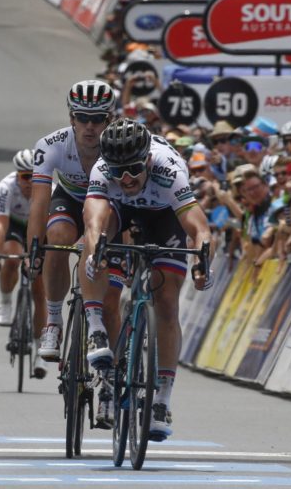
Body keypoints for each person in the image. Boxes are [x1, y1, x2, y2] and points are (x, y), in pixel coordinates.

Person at [80, 118, 213, 438]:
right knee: (95, 244)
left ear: (148, 161)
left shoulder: (170, 169)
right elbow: (94, 218)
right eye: (118, 171)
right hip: (120, 213)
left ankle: (161, 400)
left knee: (166, 301)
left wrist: (203, 263)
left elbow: (199, 229)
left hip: (163, 216)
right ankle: (97, 326)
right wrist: (95, 249)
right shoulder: (102, 168)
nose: (126, 178)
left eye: (134, 169)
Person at [26, 80, 122, 363]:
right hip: (69, 200)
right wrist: (34, 250)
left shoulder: (119, 145)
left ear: (109, 119)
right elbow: (39, 204)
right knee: (56, 238)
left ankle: (105, 359)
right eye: (82, 118)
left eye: (97, 119)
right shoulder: (51, 145)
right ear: (72, 118)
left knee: (96, 250)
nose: (89, 127)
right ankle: (53, 321)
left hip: (107, 204)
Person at [0, 149, 47, 378]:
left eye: (34, 176)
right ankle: (5, 301)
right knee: (10, 257)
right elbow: (0, 226)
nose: (30, 182)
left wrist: (39, 255)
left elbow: (50, 226)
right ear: (17, 175)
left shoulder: (48, 188)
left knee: (40, 291)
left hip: (40, 229)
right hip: (15, 226)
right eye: (24, 176)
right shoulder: (6, 187)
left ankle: (42, 351)